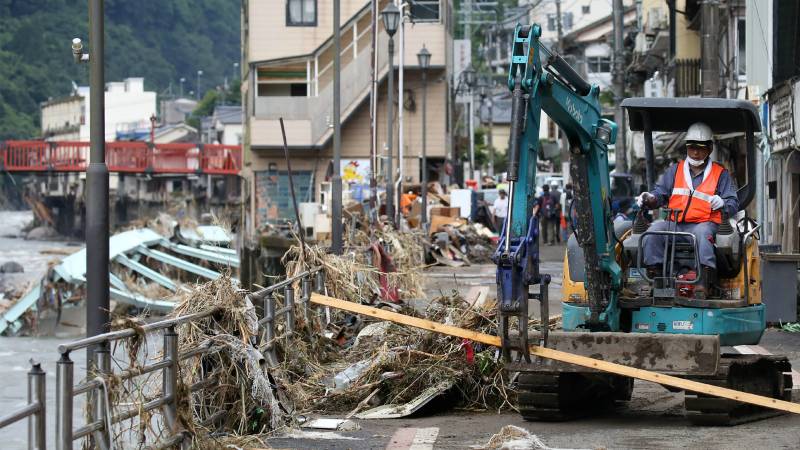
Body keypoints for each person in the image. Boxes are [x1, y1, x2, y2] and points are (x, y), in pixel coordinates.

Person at [637, 122, 739, 297]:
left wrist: (723, 202)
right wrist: (650, 199)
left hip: (705, 223)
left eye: (700, 148)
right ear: (686, 148)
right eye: (692, 147)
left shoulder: (720, 174)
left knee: (702, 234)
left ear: (709, 148)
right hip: (675, 223)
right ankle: (657, 279)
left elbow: (733, 203)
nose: (696, 152)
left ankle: (703, 283)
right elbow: (660, 194)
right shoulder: (674, 171)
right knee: (653, 231)